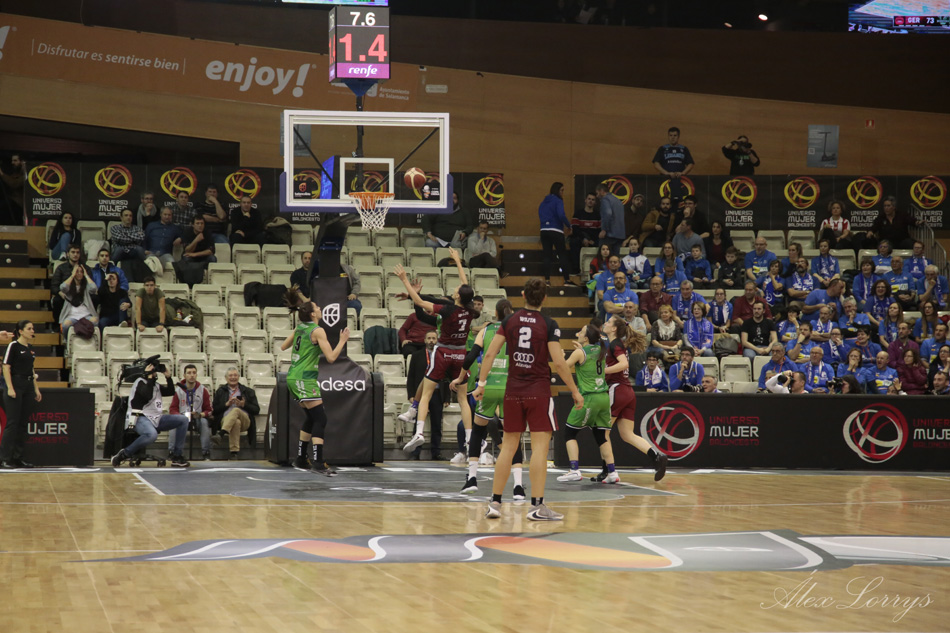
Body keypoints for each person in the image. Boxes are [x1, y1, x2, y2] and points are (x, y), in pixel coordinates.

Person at [476, 278, 583, 521]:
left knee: (508, 447)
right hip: (538, 391)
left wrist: (481, 384)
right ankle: (536, 506)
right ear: (544, 298)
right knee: (539, 449)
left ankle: (495, 503)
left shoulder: (509, 320)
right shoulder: (548, 323)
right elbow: (559, 363)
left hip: (513, 390)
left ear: (523, 295)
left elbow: (490, 353)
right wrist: (575, 391)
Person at [397, 249, 478, 455]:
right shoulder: (470, 310)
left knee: (426, 392)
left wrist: (405, 280)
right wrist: (458, 261)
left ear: (457, 295)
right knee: (463, 400)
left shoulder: (448, 310)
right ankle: (470, 439)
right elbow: (465, 284)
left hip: (443, 353)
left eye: (457, 289)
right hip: (460, 355)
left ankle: (419, 431)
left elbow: (420, 303)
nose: (456, 288)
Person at [453, 300, 525, 495]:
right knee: (512, 436)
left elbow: (471, 357)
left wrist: (460, 377)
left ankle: (472, 479)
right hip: (510, 388)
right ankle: (518, 486)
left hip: (489, 386)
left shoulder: (486, 331)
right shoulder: (519, 332)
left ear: (495, 312)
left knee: (478, 431)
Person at [281, 289, 349, 474]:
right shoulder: (318, 331)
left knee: (311, 417)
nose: (320, 308)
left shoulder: (300, 327)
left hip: (294, 376)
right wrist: (342, 340)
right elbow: (331, 358)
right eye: (317, 307)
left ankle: (301, 458)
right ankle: (318, 462)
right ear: (312, 314)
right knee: (321, 418)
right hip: (304, 377)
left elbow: (283, 346)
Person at [601, 315, 668, 481]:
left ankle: (608, 471)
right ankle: (657, 457)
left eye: (608, 322)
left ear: (614, 328)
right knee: (627, 434)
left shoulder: (615, 344)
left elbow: (623, 364)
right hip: (627, 392)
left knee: (602, 433)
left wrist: (603, 371)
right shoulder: (617, 344)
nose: (605, 323)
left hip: (617, 390)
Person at [557, 324, 619, 484]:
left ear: (585, 338)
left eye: (581, 331)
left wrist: (561, 356)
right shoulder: (601, 350)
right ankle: (612, 472)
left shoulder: (580, 353)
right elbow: (588, 359)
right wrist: (581, 350)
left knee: (569, 433)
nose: (577, 333)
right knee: (601, 437)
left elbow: (563, 367)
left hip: (589, 397)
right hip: (603, 397)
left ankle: (574, 470)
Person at [110, 362, 190, 468]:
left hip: (156, 418)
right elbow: (147, 395)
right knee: (152, 435)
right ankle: (124, 453)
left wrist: (168, 377)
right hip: (139, 417)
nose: (155, 373)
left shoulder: (155, 385)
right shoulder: (140, 382)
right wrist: (148, 376)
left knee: (183, 420)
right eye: (153, 371)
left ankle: (177, 456)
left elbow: (170, 391)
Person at [0, 320, 41, 469]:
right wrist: (10, 387)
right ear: (21, 331)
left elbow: (32, 369)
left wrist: (36, 389)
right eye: (29, 328)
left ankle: (18, 457)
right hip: (16, 384)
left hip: (28, 386)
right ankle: (4, 458)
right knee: (12, 423)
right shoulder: (13, 346)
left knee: (23, 424)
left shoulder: (30, 349)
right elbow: (6, 367)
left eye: (33, 328)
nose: (32, 331)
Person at [211, 368, 261, 461]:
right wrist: (226, 405)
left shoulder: (248, 391)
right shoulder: (220, 391)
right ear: (226, 378)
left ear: (238, 377)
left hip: (245, 421)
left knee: (236, 410)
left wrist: (244, 405)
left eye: (235, 375)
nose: (233, 377)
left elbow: (256, 410)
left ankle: (221, 433)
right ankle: (234, 453)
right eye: (230, 375)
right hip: (225, 421)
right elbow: (214, 410)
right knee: (236, 422)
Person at [169, 364, 214, 460]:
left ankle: (206, 452)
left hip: (197, 417)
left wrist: (200, 415)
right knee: (173, 424)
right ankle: (172, 452)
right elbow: (173, 409)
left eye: (194, 373)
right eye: (189, 373)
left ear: (196, 375)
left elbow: (209, 409)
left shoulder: (203, 390)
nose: (192, 375)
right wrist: (180, 416)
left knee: (204, 422)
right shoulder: (179, 390)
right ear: (184, 375)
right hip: (183, 417)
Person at [537, 182, 574, 286]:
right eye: (562, 190)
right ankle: (566, 280)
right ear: (557, 190)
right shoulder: (558, 201)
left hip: (544, 230)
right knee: (562, 255)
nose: (562, 193)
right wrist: (569, 225)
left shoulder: (543, 202)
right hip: (556, 230)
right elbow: (561, 215)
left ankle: (547, 280)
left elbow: (540, 214)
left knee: (547, 256)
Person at [652, 126, 694, 199]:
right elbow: (656, 163)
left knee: (679, 200)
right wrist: (666, 173)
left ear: (678, 136)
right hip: (665, 180)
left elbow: (690, 163)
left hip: (680, 180)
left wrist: (683, 173)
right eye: (670, 135)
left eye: (675, 135)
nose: (673, 137)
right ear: (668, 136)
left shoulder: (684, 149)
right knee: (665, 200)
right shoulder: (662, 149)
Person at [175, 216, 216, 287]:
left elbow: (211, 251)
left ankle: (210, 281)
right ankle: (189, 280)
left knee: (213, 258)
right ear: (193, 225)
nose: (200, 225)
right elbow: (187, 250)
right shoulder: (187, 232)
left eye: (202, 223)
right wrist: (196, 240)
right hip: (191, 258)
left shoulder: (207, 232)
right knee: (186, 258)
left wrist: (195, 254)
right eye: (197, 223)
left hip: (203, 257)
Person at [50, 245, 90, 317]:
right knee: (57, 300)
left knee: (94, 298)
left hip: (82, 294)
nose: (75, 254)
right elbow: (54, 286)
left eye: (77, 252)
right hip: (66, 294)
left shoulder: (85, 268)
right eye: (73, 252)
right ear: (68, 254)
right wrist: (60, 293)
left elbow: (89, 284)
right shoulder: (61, 268)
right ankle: (58, 323)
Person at [58, 263, 98, 336]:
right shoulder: (69, 286)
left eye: (81, 272)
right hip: (71, 315)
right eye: (77, 271)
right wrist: (72, 275)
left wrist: (86, 275)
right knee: (65, 325)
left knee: (95, 321)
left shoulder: (86, 286)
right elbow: (63, 287)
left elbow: (93, 288)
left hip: (85, 315)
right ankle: (67, 341)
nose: (79, 273)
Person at [569, 192, 601, 275]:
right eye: (589, 199)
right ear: (585, 200)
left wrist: (592, 240)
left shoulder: (598, 215)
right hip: (580, 238)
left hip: (593, 240)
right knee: (574, 242)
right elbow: (575, 229)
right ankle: (576, 270)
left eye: (593, 200)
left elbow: (599, 230)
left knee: (603, 244)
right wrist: (584, 239)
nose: (590, 201)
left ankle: (597, 269)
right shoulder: (578, 213)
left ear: (595, 202)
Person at [595, 182, 624, 255]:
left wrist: (604, 229)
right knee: (615, 259)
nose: (597, 196)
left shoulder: (605, 200)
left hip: (609, 234)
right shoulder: (618, 201)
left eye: (597, 193)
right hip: (620, 235)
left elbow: (608, 213)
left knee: (603, 257)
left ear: (601, 191)